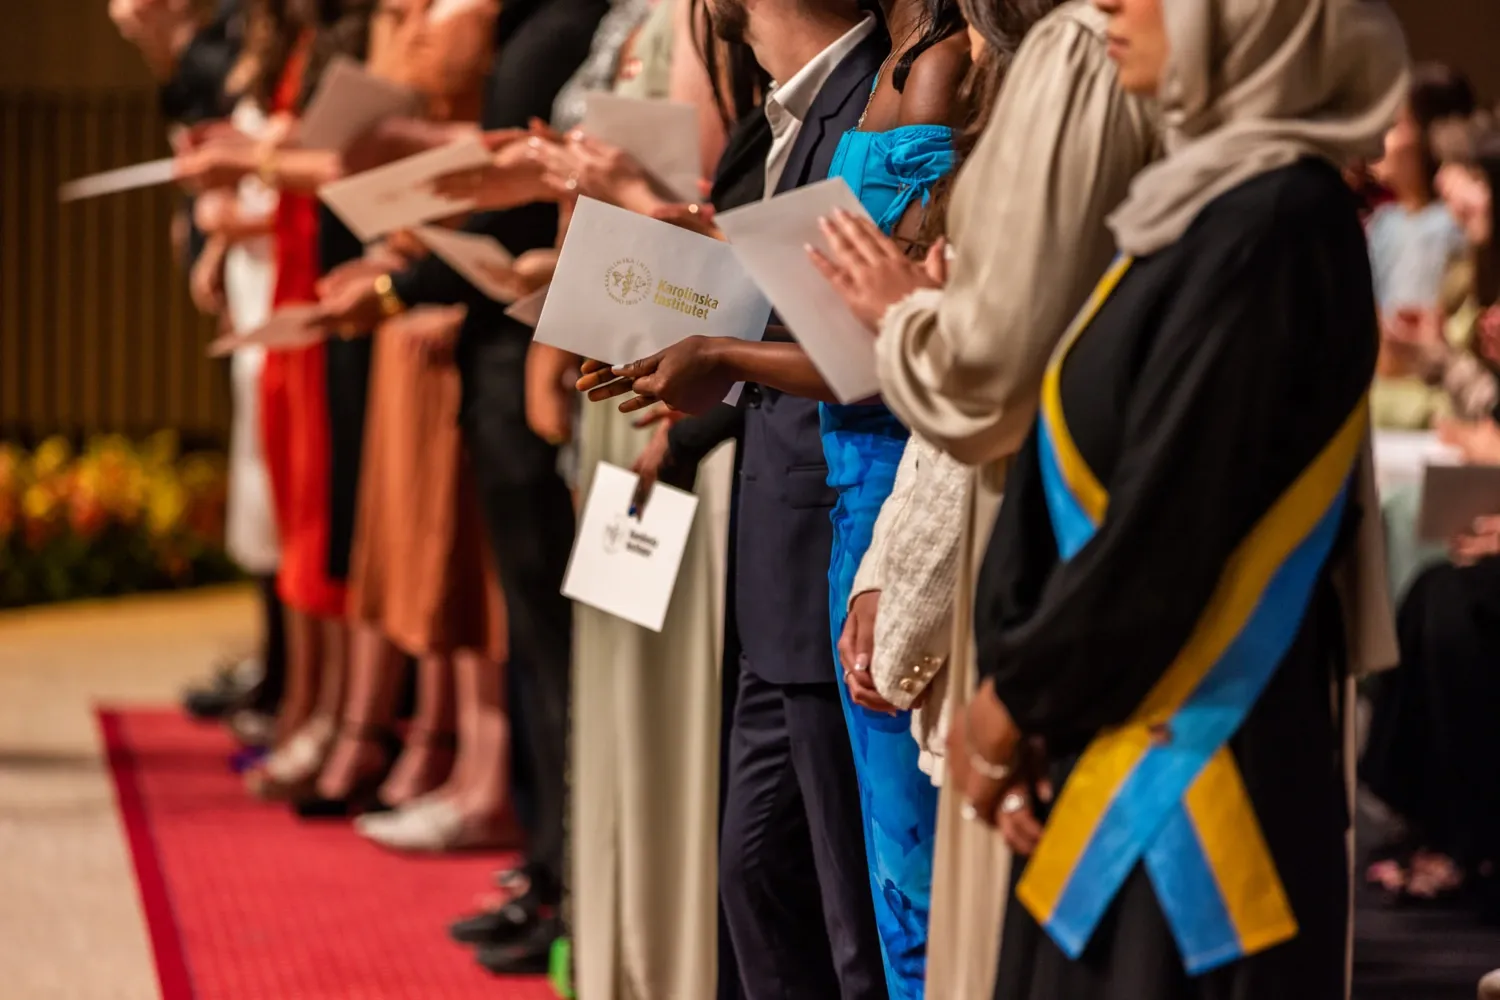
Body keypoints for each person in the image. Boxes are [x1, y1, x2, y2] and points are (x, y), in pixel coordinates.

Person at [946, 0, 1402, 996]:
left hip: (1197, 793)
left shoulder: (1276, 225)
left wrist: (1009, 704)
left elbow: (1168, 525)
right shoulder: (1197, 208)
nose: (1111, 1)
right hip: (1111, 745)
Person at [809, 1, 1156, 995]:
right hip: (941, 480)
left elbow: (998, 364)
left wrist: (909, 313)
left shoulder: (1077, 59)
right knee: (925, 908)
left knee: (950, 914)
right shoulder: (1040, 61)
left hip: (1011, 521)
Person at [576, 0, 893, 995]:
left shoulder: (870, 98)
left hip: (826, 533)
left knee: (849, 912)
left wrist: (713, 342)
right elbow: (789, 296)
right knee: (757, 875)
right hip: (774, 548)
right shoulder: (790, 106)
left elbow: (862, 344)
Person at [315, 0, 610, 974]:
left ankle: (570, 875)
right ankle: (549, 862)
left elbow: (530, 190)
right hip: (514, 327)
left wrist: (405, 284)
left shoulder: (568, 20)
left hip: (552, 347)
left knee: (560, 638)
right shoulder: (547, 24)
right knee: (538, 636)